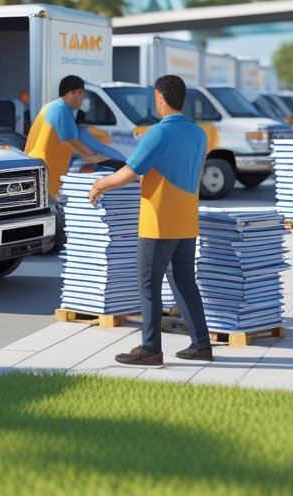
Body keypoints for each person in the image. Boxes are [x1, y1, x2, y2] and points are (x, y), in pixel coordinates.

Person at [87, 75, 212, 366]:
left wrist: (100, 184)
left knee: (148, 284)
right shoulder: (198, 133)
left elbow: (130, 171)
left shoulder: (157, 133)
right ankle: (201, 344)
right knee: (184, 281)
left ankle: (151, 349)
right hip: (186, 220)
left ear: (159, 97)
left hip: (159, 220)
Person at [24, 75, 109, 240]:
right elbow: (70, 140)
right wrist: (92, 156)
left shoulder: (49, 107)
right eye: (82, 95)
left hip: (36, 164)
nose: (82, 100)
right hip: (47, 168)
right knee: (48, 210)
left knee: (40, 208)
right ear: (76, 92)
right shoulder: (63, 109)